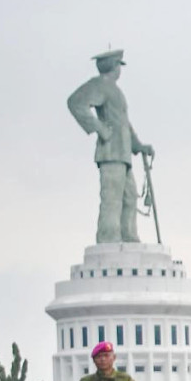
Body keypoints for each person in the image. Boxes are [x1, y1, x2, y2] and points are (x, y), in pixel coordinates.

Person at [66, 49, 156, 244]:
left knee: (130, 197)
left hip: (123, 154)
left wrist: (138, 145)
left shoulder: (115, 91)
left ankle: (129, 237)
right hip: (110, 152)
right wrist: (99, 128)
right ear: (113, 66)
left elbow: (123, 122)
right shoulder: (99, 85)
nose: (119, 70)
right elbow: (75, 102)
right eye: (118, 65)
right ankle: (109, 239)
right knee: (112, 199)